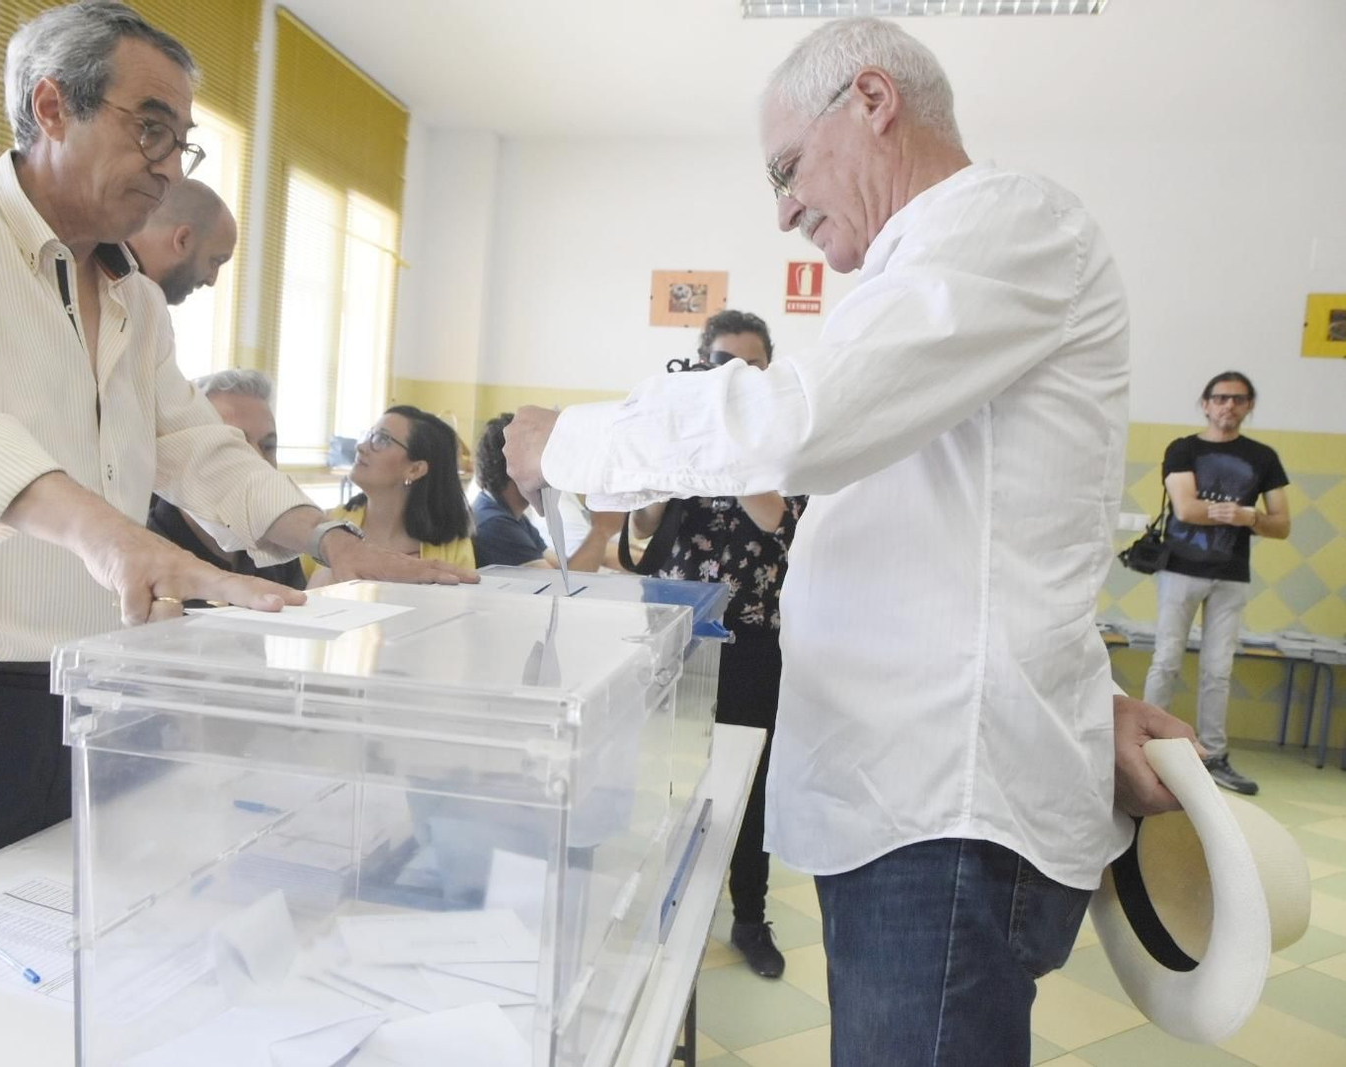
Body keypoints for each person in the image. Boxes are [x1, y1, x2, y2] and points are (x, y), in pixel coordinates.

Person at [504, 17, 1197, 1065]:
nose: (782, 209)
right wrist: (1079, 701)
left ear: (871, 101)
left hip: (941, 812)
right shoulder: (926, 274)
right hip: (911, 795)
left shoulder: (1003, 222)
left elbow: (796, 425)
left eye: (785, 169)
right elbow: (969, 549)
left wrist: (570, 441)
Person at [0, 1, 466, 935]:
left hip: (78, 694)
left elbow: (199, 449)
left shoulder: (134, 300)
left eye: (183, 141)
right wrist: (112, 539)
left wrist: (330, 538)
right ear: (52, 106)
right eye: (150, 126)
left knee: (60, 961)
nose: (169, 161)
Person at [627, 310, 802, 980]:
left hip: (753, 638)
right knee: (667, 776)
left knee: (748, 784)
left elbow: (780, 522)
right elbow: (644, 523)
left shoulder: (786, 444)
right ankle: (663, 906)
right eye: (720, 366)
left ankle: (750, 915)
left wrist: (728, 441)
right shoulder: (682, 429)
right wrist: (678, 441)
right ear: (699, 365)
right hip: (675, 636)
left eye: (748, 370)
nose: (732, 381)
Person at [1145, 371, 1289, 796]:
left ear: (1249, 407)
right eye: (1221, 398)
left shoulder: (1263, 457)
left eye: (1239, 399)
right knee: (1166, 658)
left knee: (1218, 669)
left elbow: (1281, 524)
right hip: (1180, 569)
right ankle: (1149, 746)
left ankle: (1214, 755)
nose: (1229, 406)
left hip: (1231, 575)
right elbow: (1185, 508)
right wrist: (1244, 515)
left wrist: (1254, 519)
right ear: (1205, 404)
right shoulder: (1184, 449)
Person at [147, 368, 304, 594]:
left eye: (268, 447)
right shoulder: (145, 551)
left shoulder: (280, 546)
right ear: (184, 451)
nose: (258, 462)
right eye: (236, 446)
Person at [304, 405, 475, 585]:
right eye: (369, 435)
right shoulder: (329, 525)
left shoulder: (452, 546)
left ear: (415, 469)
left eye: (382, 439)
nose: (361, 446)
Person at [472, 413, 622, 570]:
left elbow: (562, 569)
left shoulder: (512, 516)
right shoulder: (495, 524)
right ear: (514, 466)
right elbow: (561, 589)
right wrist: (601, 531)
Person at [125, 177, 236, 306]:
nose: (212, 280)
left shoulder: (144, 306)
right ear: (183, 240)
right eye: (215, 261)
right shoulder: (102, 287)